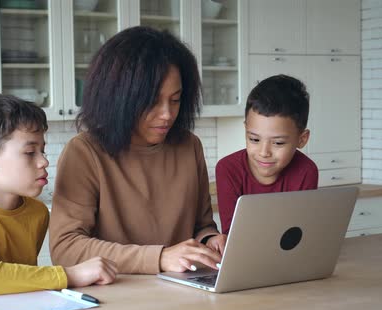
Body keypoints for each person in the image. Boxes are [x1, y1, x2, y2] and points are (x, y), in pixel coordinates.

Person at [49, 26, 226, 275]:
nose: (167, 114)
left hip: (183, 289)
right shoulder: (84, 152)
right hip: (117, 294)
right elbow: (65, 248)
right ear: (119, 98)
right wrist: (159, 258)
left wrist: (211, 240)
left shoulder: (189, 146)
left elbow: (201, 225)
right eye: (152, 101)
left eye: (175, 100)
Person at [0, 93, 117, 297]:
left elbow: (19, 284)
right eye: (30, 152)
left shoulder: (38, 213)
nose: (44, 161)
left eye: (42, 151)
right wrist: (69, 275)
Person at [215, 75, 319, 234]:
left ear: (302, 139)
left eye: (278, 143)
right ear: (245, 129)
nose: (264, 153)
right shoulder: (227, 169)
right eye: (254, 139)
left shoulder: (307, 170)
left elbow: (299, 231)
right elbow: (231, 235)